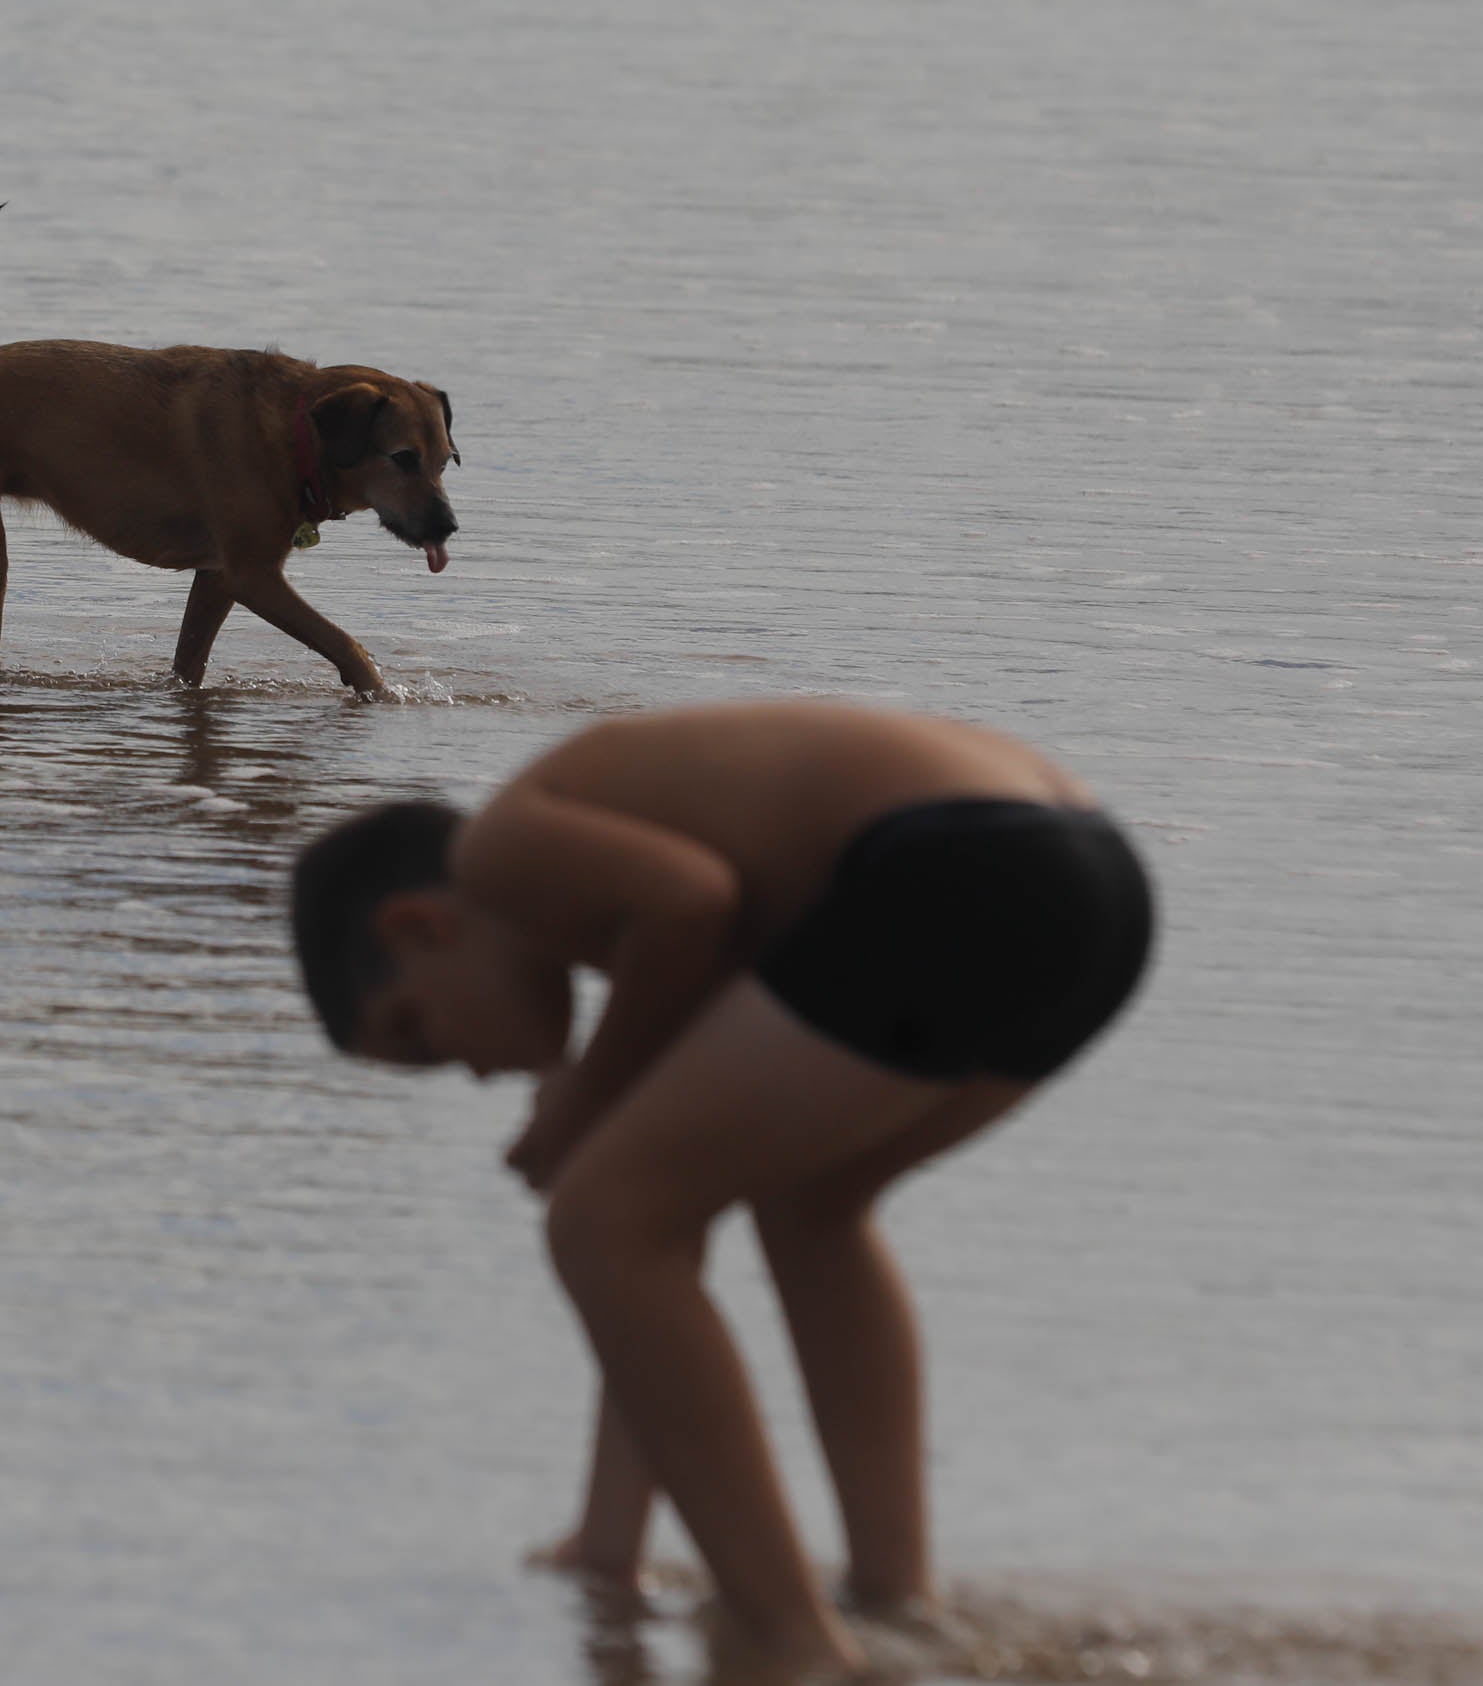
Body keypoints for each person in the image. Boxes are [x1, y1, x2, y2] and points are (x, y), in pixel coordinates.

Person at [287, 701, 1153, 1681]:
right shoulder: (648, 929)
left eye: (417, 1030)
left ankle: (787, 1640)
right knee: (802, 1208)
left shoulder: (501, 853)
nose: (471, 1070)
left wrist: (590, 1100)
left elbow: (689, 896)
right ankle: (893, 1602)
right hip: (1093, 886)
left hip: (954, 862)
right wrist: (606, 1545)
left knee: (599, 1222)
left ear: (419, 923)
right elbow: (662, 1257)